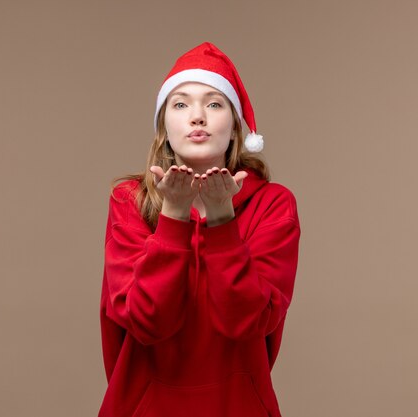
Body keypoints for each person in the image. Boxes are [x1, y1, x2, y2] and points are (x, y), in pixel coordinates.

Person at [98, 42, 300, 417]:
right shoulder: (129, 201)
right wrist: (173, 215)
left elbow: (247, 322)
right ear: (164, 127)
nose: (197, 117)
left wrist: (223, 220)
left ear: (235, 127)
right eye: (180, 104)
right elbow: (148, 323)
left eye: (213, 103)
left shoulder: (274, 204)